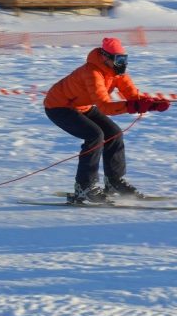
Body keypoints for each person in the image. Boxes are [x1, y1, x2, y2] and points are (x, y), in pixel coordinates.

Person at [44, 37, 170, 203]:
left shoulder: (117, 72)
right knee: (94, 135)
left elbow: (133, 96)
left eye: (124, 59)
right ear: (105, 57)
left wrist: (151, 104)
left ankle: (113, 182)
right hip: (58, 106)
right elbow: (104, 106)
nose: (122, 63)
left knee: (114, 134)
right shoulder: (92, 72)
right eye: (118, 59)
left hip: (82, 106)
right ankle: (85, 187)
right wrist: (134, 107)